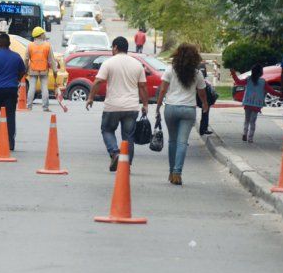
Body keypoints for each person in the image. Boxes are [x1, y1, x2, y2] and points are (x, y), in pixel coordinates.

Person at [86, 37, 148, 171]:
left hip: (112, 106)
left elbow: (97, 82)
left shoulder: (108, 63)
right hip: (131, 107)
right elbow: (142, 86)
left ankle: (115, 153)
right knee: (128, 136)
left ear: (115, 47)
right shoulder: (137, 64)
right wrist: (145, 105)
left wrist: (90, 97)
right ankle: (126, 165)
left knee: (107, 130)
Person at [156, 43, 209, 185]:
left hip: (171, 108)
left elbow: (162, 90)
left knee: (172, 141)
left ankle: (171, 171)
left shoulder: (170, 70)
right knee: (182, 142)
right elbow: (202, 92)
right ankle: (177, 173)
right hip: (188, 110)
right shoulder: (197, 74)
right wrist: (204, 104)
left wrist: (159, 105)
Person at [231, 64, 283, 143]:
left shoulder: (248, 79)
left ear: (252, 72)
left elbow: (238, 82)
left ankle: (245, 133)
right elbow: (271, 91)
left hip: (248, 103)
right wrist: (281, 94)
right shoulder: (263, 82)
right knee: (253, 122)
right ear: (261, 73)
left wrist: (233, 74)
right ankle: (250, 138)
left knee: (247, 120)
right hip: (256, 104)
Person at [23, 26, 58, 111]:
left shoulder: (30, 46)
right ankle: (45, 107)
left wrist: (25, 70)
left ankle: (29, 106)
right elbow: (51, 60)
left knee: (32, 88)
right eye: (43, 33)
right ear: (40, 35)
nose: (44, 34)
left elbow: (26, 59)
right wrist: (55, 71)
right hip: (44, 70)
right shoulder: (47, 46)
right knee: (44, 88)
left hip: (33, 70)